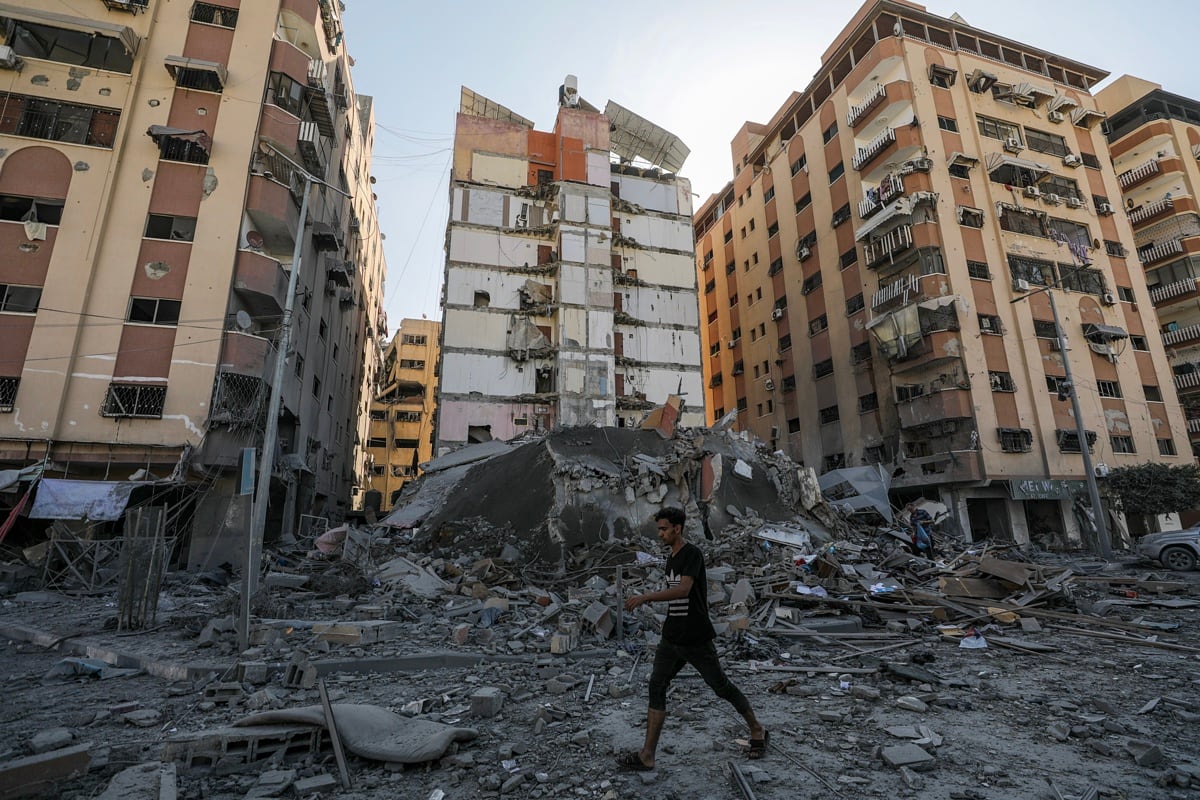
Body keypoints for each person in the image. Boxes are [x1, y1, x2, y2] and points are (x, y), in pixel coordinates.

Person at [617, 506, 766, 771]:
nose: (660, 534)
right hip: (672, 636)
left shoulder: (691, 554)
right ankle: (647, 755)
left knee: (720, 686)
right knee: (657, 685)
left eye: (664, 529)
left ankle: (756, 729)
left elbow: (684, 590)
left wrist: (646, 596)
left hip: (695, 637)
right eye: (659, 529)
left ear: (678, 528)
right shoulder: (671, 558)